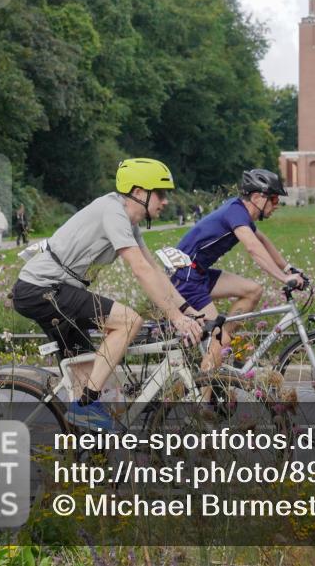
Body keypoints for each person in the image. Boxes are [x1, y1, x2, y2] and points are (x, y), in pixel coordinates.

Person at [11, 159, 203, 430]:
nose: (166, 201)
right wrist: (174, 317)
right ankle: (85, 406)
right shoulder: (112, 211)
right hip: (41, 289)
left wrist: (186, 310)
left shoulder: (128, 221)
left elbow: (153, 270)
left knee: (89, 376)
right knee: (128, 321)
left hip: (57, 291)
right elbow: (138, 269)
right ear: (139, 192)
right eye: (161, 193)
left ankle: (85, 453)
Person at [172, 169, 305, 381]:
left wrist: (289, 268)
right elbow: (253, 248)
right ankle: (201, 407)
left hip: (199, 273)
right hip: (187, 277)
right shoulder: (236, 213)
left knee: (253, 290)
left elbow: (262, 241)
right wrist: (283, 279)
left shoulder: (241, 213)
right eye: (273, 198)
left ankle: (223, 338)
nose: (277, 204)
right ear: (256, 198)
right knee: (218, 341)